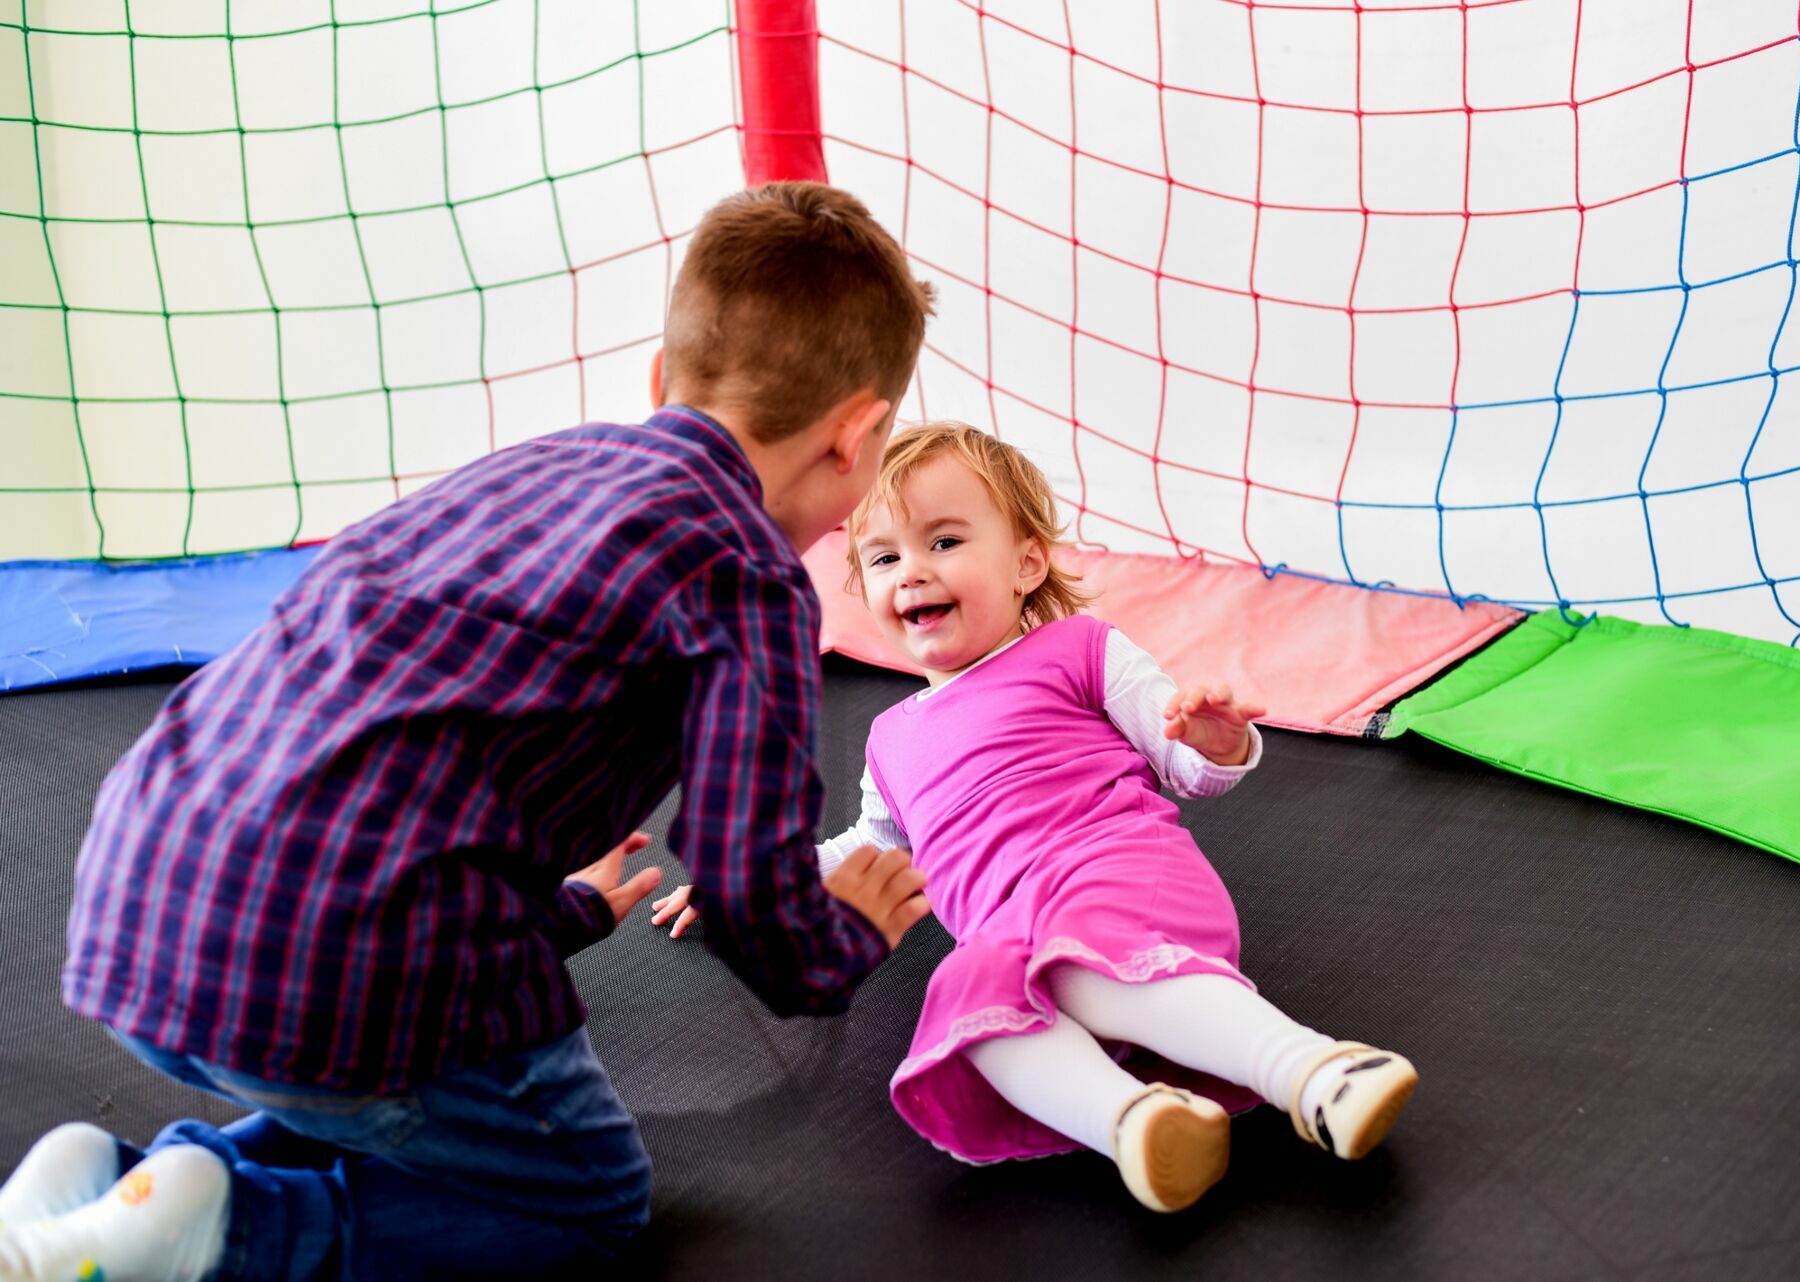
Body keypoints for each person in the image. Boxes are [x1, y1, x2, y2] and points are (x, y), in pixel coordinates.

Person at [0, 182, 935, 1281]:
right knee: (584, 1199)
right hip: (336, 959)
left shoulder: (542, 465)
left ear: (659, 381)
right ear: (859, 435)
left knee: (381, 1093)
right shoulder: (750, 579)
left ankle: (111, 1186)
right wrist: (843, 938)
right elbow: (742, 887)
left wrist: (554, 904)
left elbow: (381, 727)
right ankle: (226, 1231)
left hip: (144, 893)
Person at [652, 423, 1418, 1213]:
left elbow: (1187, 761)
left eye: (943, 542)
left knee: (1078, 965)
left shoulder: (1078, 650)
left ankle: (1315, 1072)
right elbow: (874, 849)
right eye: (884, 558)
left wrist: (1217, 738)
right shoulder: (891, 738)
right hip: (1004, 932)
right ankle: (1135, 1122)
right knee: (966, 1007)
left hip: (1112, 871)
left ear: (1026, 562)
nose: (911, 572)